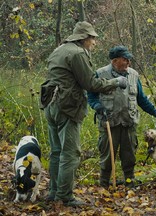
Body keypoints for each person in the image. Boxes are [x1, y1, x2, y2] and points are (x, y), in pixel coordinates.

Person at [40, 21, 128, 206]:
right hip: (67, 107)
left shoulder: (60, 49)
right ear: (84, 38)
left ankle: (54, 192)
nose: (94, 43)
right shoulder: (78, 53)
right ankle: (64, 196)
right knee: (70, 153)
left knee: (56, 151)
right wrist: (116, 82)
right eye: (93, 38)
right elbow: (91, 84)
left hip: (51, 105)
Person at [87, 45, 156, 189]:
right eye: (125, 59)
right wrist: (97, 106)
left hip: (129, 122)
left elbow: (141, 99)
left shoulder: (134, 75)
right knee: (107, 156)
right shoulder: (100, 74)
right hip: (109, 122)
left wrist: (155, 112)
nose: (129, 62)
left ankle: (130, 183)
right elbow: (91, 96)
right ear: (114, 61)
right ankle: (104, 185)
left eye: (129, 59)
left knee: (129, 156)